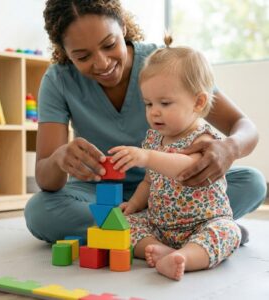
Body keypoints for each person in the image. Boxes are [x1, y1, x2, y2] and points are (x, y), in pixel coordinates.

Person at [24, 0, 266, 244]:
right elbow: (46, 180)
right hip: (97, 193)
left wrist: (230, 148)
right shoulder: (58, 80)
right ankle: (193, 229)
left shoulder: (162, 63)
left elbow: (244, 127)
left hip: (172, 187)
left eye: (109, 45)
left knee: (252, 182)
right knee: (39, 212)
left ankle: (133, 231)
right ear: (65, 52)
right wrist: (58, 159)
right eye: (82, 56)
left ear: (123, 28)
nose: (102, 63)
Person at [108, 35, 241, 280]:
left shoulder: (204, 137)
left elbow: (187, 167)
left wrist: (147, 157)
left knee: (228, 231)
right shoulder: (154, 138)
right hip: (160, 226)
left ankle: (187, 258)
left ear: (198, 102)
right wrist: (134, 205)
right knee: (125, 228)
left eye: (165, 103)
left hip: (203, 222)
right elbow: (149, 182)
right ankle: (160, 250)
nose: (154, 111)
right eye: (148, 103)